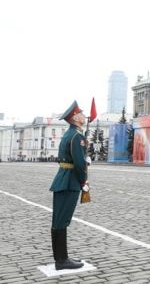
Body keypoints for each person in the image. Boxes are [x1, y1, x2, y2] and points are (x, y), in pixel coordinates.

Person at [49, 101, 88, 270]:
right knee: (61, 221)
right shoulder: (77, 136)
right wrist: (83, 181)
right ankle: (61, 260)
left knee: (59, 220)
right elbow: (79, 164)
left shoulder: (69, 134)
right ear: (75, 118)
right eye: (81, 114)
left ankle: (61, 257)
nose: (84, 116)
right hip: (70, 182)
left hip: (63, 179)